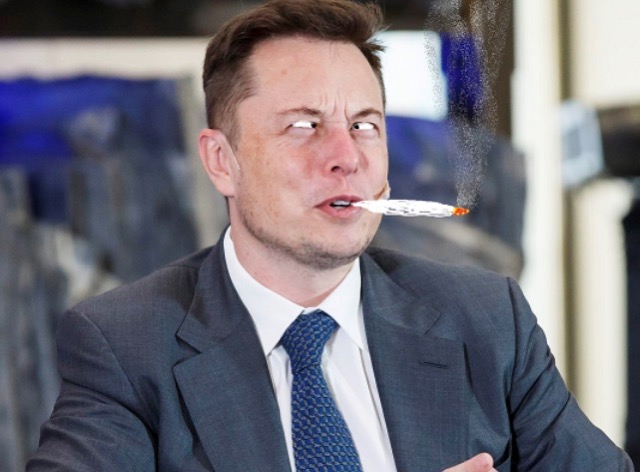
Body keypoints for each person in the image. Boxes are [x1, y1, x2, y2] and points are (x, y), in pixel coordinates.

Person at [28, 0, 634, 471]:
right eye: (303, 125)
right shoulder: (126, 346)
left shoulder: (487, 320)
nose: (347, 157)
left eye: (364, 125)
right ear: (220, 161)